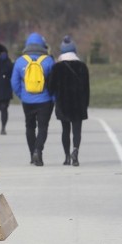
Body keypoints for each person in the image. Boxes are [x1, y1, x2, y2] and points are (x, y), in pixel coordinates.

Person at [11, 32, 55, 166]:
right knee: (43, 127)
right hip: (45, 100)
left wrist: (21, 95)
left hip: (27, 100)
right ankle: (38, 150)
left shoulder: (20, 61)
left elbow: (14, 82)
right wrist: (53, 97)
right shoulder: (48, 61)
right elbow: (54, 82)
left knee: (30, 127)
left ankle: (32, 155)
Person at [47, 35, 90, 166]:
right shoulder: (82, 66)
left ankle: (66, 157)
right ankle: (75, 152)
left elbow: (50, 87)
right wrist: (85, 104)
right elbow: (86, 88)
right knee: (77, 130)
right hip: (79, 103)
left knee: (65, 130)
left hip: (63, 103)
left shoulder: (57, 67)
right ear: (74, 50)